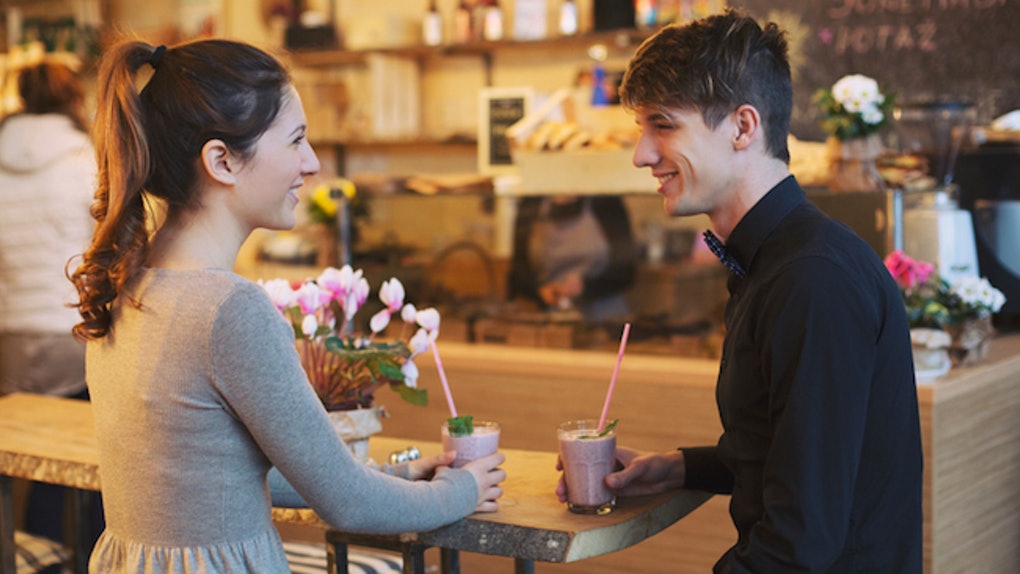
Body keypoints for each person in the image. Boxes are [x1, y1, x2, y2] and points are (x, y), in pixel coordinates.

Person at [69, 38, 505, 573]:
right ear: (222, 160)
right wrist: (463, 488)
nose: (312, 162)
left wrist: (399, 475)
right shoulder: (228, 310)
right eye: (296, 140)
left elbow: (216, 475)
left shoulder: (130, 282)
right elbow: (349, 504)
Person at [558, 10, 923, 572]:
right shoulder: (779, 261)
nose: (642, 155)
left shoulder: (812, 279)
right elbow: (793, 455)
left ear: (743, 127)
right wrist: (682, 467)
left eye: (664, 125)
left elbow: (800, 544)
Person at [0, 58, 104, 559]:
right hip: (72, 329)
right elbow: (108, 243)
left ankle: (38, 558)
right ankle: (94, 563)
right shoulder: (82, 157)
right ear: (72, 97)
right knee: (93, 462)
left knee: (35, 463)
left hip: (12, 335)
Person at [507, 194, 637, 323]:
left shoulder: (606, 200)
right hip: (549, 320)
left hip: (605, 320)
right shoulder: (532, 201)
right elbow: (518, 272)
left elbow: (626, 272)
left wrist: (585, 287)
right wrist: (539, 291)